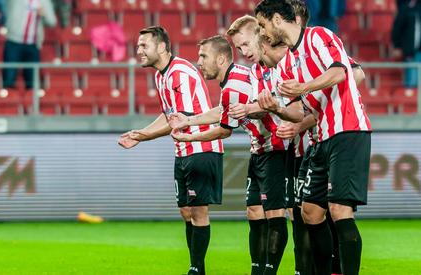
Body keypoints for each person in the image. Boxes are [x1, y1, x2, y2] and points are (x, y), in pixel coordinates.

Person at [169, 28, 304, 275]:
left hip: (277, 147)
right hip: (259, 149)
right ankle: (260, 270)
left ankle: (291, 269)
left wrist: (190, 135)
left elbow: (223, 129)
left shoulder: (235, 84)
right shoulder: (235, 80)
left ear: (220, 59)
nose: (199, 63)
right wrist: (188, 121)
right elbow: (223, 111)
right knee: (254, 211)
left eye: (203, 57)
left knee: (283, 213)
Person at [255, 1, 372, 275]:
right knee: (310, 212)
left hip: (348, 130)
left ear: (276, 19)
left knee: (339, 210)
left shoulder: (319, 35)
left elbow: (341, 72)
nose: (262, 32)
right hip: (320, 138)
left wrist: (304, 86)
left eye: (262, 25)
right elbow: (299, 112)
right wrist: (277, 108)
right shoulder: (288, 65)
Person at [117, 26, 223, 275]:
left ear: (162, 47)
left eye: (144, 45)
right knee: (186, 212)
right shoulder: (161, 75)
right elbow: (168, 116)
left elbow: (179, 121)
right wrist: (140, 133)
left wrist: (143, 138)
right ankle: (197, 267)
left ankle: (196, 269)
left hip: (201, 146)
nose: (139, 50)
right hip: (183, 149)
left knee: (198, 211)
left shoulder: (181, 73)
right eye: (138, 45)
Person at [2, 0, 56, 89]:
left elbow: (52, 21)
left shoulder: (44, 1)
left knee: (32, 81)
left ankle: (31, 102)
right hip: (14, 42)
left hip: (32, 44)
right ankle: (8, 101)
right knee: (9, 78)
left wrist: (44, 14)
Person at [392, 0, 421, 87]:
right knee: (412, 83)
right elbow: (397, 29)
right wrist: (397, 45)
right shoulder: (405, 7)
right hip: (410, 51)